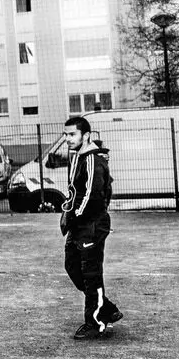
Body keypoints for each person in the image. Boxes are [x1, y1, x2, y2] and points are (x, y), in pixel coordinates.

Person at [60, 116, 124, 340]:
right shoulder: (78, 157)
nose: (67, 139)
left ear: (85, 135)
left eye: (72, 134)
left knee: (91, 275)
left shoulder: (92, 160)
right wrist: (67, 212)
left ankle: (95, 322)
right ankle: (107, 308)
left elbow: (92, 196)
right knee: (72, 266)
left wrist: (73, 216)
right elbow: (74, 192)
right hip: (78, 225)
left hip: (91, 225)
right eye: (66, 134)